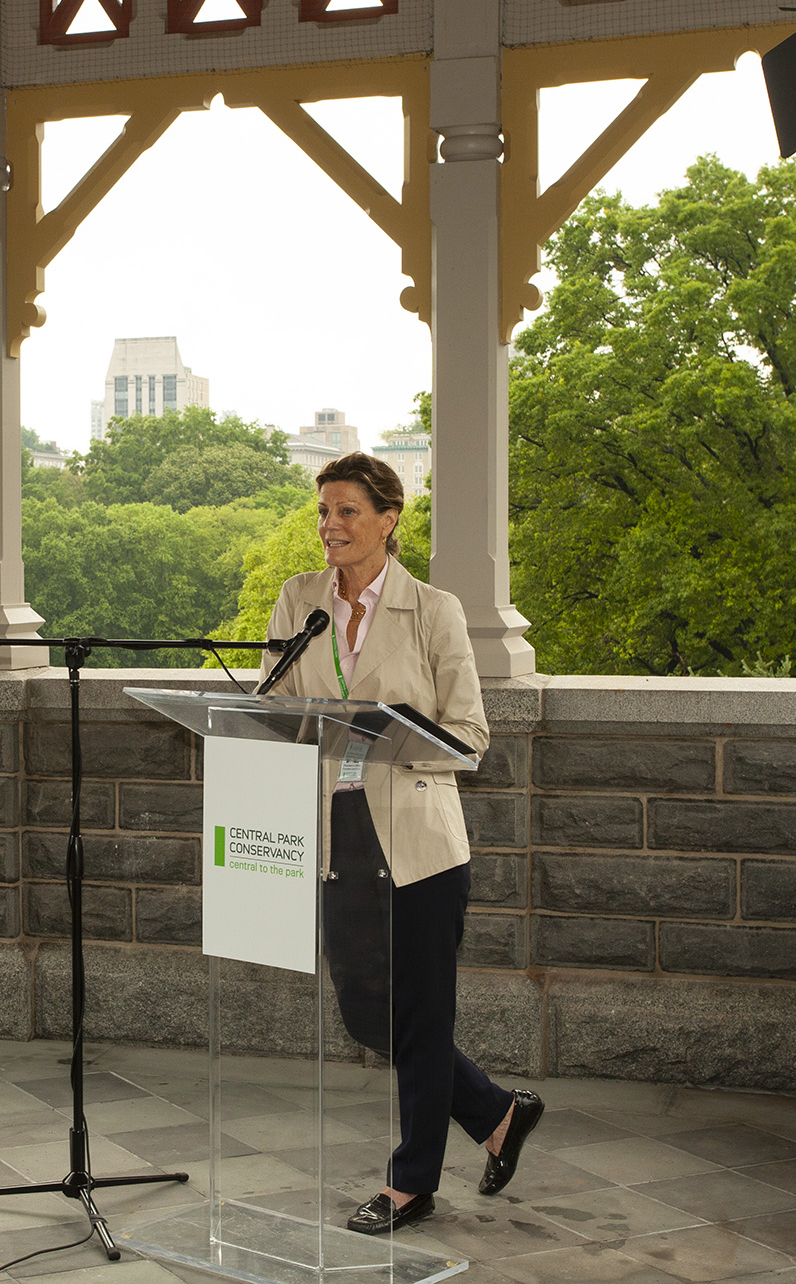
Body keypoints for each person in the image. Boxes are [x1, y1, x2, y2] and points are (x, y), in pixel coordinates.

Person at [265, 452, 544, 1235]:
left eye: (348, 511)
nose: (330, 526)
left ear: (388, 519)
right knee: (364, 1010)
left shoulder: (434, 610)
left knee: (422, 1012)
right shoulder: (298, 601)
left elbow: (469, 735)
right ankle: (496, 1112)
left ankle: (410, 1182)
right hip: (335, 831)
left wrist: (386, 735)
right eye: (324, 511)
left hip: (417, 838)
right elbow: (278, 700)